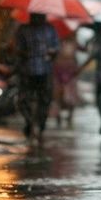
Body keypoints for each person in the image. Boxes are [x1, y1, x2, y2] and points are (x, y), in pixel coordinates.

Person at [15, 12, 59, 142]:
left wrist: (26, 53)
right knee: (43, 100)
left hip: (30, 71)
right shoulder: (50, 30)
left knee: (25, 100)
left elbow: (17, 50)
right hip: (40, 71)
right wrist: (50, 53)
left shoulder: (23, 29)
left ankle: (32, 122)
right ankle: (38, 124)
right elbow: (56, 49)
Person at [52, 32, 80, 129]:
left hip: (68, 72)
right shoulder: (59, 41)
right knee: (61, 94)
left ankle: (65, 115)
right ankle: (60, 115)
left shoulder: (62, 42)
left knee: (67, 95)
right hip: (63, 71)